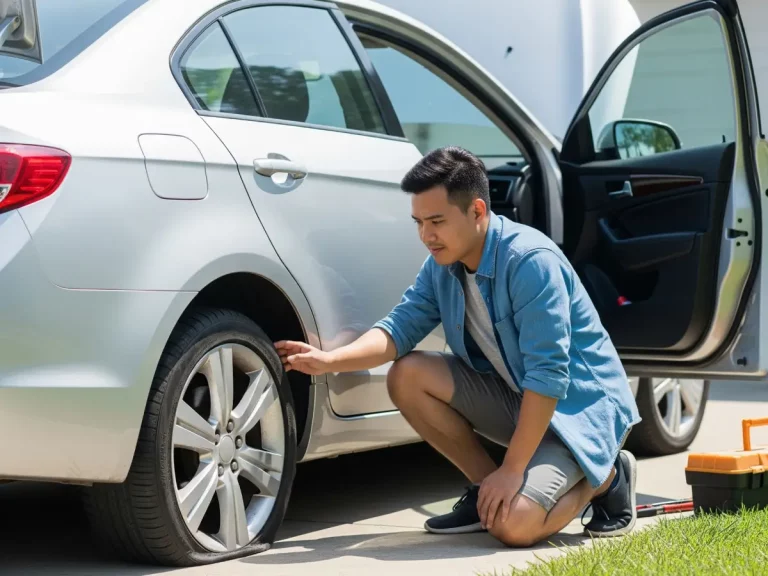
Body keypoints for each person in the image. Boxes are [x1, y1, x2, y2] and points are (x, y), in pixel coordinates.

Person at [275, 146, 641, 547]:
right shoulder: (441, 265)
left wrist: (513, 469)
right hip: (521, 400)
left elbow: (548, 375)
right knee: (408, 375)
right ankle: (487, 491)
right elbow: (399, 329)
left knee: (513, 527)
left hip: (577, 412)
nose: (426, 235)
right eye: (418, 222)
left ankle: (606, 474)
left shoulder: (530, 261)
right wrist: (330, 360)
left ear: (477, 211)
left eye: (436, 221)